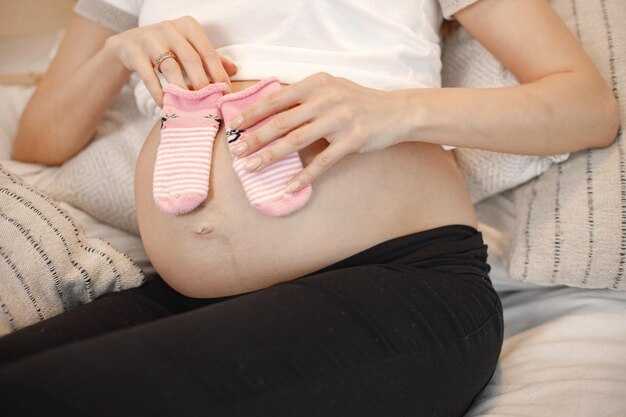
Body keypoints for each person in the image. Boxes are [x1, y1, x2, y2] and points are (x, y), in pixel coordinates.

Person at [0, 0, 619, 415]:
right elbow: (41, 138)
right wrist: (117, 55)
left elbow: (587, 107)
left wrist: (397, 109)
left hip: (398, 282)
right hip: (188, 295)